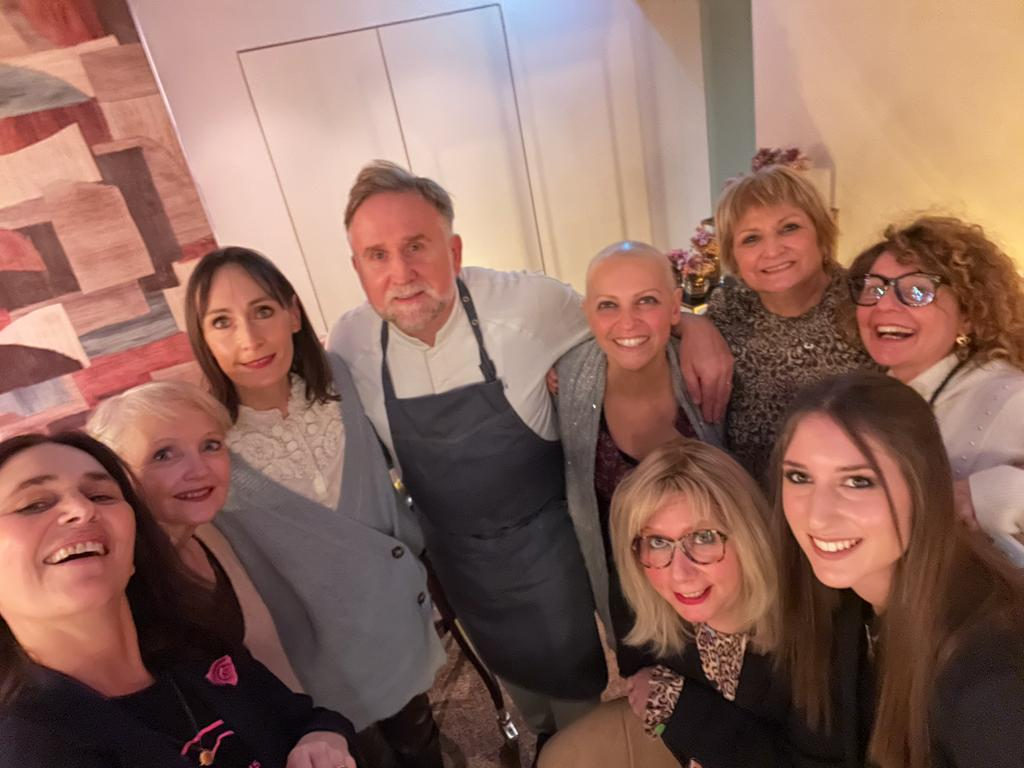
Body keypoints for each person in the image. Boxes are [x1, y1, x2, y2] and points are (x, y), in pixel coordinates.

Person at [328, 159, 610, 742]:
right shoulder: (351, 344)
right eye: (377, 256)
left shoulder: (529, 306)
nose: (401, 273)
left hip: (547, 553)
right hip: (459, 565)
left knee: (578, 700)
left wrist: (692, 328)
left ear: (453, 251)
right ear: (357, 268)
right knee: (522, 692)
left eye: (416, 246)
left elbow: (625, 324)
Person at [184, 247, 446, 767]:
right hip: (315, 658)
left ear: (292, 314)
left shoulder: (342, 379)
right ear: (202, 339)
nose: (250, 339)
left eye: (262, 311)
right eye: (222, 322)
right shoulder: (208, 442)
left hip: (393, 620)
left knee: (419, 740)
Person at [0, 432, 358, 768]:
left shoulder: (198, 650)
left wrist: (323, 739)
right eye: (34, 504)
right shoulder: (30, 748)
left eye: (101, 496)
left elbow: (308, 719)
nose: (81, 509)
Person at [775, 372, 1024, 768]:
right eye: (799, 477)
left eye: (858, 482)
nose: (817, 517)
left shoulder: (987, 676)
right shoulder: (849, 600)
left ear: (924, 486)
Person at [539, 438, 800, 767]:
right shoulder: (643, 587)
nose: (679, 574)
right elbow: (636, 661)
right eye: (659, 542)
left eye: (704, 537)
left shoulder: (813, 637)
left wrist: (679, 707)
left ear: (749, 536)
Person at [555, 241, 721, 677]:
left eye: (646, 301)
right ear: (588, 313)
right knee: (650, 695)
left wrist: (700, 328)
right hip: (626, 588)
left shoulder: (708, 369)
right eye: (608, 305)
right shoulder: (566, 376)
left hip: (715, 578)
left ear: (674, 307)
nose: (627, 322)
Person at [87, 380, 302, 689]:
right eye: (163, 455)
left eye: (210, 445)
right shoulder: (122, 591)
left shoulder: (218, 534)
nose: (199, 470)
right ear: (117, 476)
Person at [847, 216, 1024, 563]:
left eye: (917, 291)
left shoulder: (1010, 396)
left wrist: (990, 495)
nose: (883, 305)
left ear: (968, 315)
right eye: (874, 288)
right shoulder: (868, 399)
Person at [707, 164, 874, 482]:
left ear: (821, 234)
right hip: (751, 501)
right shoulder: (726, 311)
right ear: (734, 258)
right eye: (751, 238)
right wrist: (691, 327)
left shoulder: (865, 304)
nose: (772, 250)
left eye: (789, 228)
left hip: (847, 495)